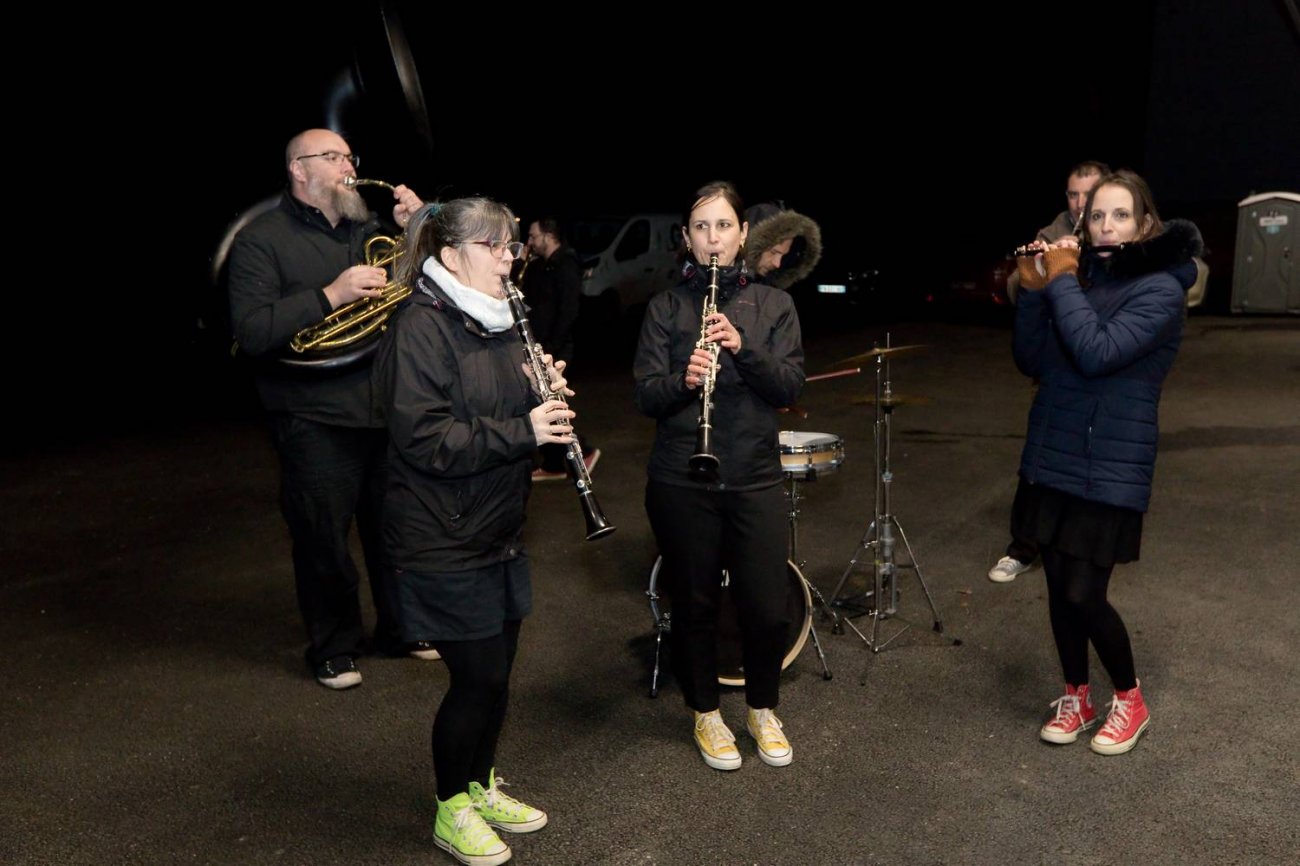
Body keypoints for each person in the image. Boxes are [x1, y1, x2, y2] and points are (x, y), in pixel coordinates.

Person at [373, 197, 569, 865]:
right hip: (439, 534)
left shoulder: (502, 321)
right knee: (477, 677)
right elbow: (424, 438)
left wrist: (543, 395)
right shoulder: (420, 327)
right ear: (451, 254)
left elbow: (499, 405)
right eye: (494, 246)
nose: (509, 257)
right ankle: (450, 808)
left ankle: (479, 785)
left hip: (498, 526)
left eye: (511, 246)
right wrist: (523, 429)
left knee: (501, 673)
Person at [227, 127, 437, 691]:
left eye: (351, 156)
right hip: (313, 416)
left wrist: (419, 231)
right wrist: (331, 295)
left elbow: (425, 291)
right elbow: (251, 332)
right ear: (299, 169)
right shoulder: (260, 241)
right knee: (323, 538)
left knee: (395, 532)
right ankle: (334, 647)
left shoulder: (369, 229)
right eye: (334, 156)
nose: (349, 165)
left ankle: (402, 629)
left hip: (383, 408)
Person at [1010, 169, 1202, 755]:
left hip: (1110, 463)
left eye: (1120, 215)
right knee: (1057, 592)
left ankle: (1129, 698)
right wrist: (1034, 293)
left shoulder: (1161, 290)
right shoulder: (1082, 278)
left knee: (1083, 595)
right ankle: (1076, 693)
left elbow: (1096, 353)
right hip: (1056, 454)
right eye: (1096, 215)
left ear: (1145, 223)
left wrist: (1063, 282)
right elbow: (1034, 360)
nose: (1105, 226)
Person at [633, 181, 805, 771]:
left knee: (764, 605)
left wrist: (743, 348)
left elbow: (788, 387)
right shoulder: (666, 306)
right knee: (697, 603)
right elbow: (644, 396)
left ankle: (762, 708)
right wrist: (683, 380)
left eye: (724, 226)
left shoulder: (773, 305)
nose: (713, 238)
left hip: (753, 474)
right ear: (687, 237)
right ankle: (706, 713)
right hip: (682, 478)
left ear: (741, 235)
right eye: (702, 227)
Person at [990, 160, 1110, 584]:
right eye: (1073, 194)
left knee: (1092, 460)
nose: (1080, 204)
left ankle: (1078, 547)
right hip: (1056, 361)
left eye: (1089, 195)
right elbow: (1016, 287)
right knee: (1040, 457)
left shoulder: (1116, 231)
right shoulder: (1053, 228)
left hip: (1100, 360)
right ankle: (1023, 548)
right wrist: (1038, 268)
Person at [522, 216, 600, 481]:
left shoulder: (565, 264)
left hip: (556, 346)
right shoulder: (540, 266)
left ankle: (584, 451)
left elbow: (569, 309)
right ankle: (554, 464)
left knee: (553, 403)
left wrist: (553, 346)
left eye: (533, 236)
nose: (530, 242)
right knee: (546, 403)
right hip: (541, 344)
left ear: (548, 235)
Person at [742, 201, 823, 289]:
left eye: (783, 256)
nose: (777, 264)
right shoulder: (726, 288)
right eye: (773, 252)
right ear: (749, 244)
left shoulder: (776, 297)